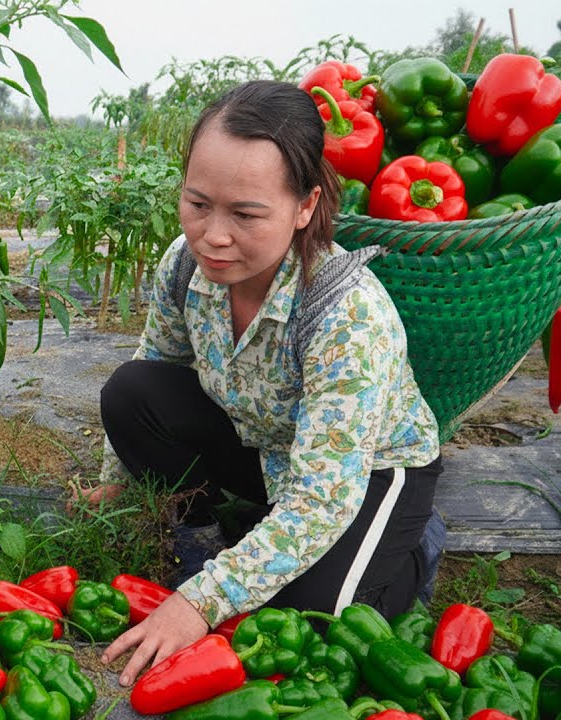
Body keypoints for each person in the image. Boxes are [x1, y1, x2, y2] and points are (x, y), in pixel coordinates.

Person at [83, 80, 444, 687]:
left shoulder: (347, 314)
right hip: (263, 442)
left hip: (366, 472)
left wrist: (198, 602)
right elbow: (158, 360)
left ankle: (413, 546)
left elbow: (323, 497)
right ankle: (203, 532)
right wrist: (115, 479)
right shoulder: (185, 264)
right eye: (198, 204)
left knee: (311, 621)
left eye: (246, 214)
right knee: (131, 392)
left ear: (304, 206)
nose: (213, 236)